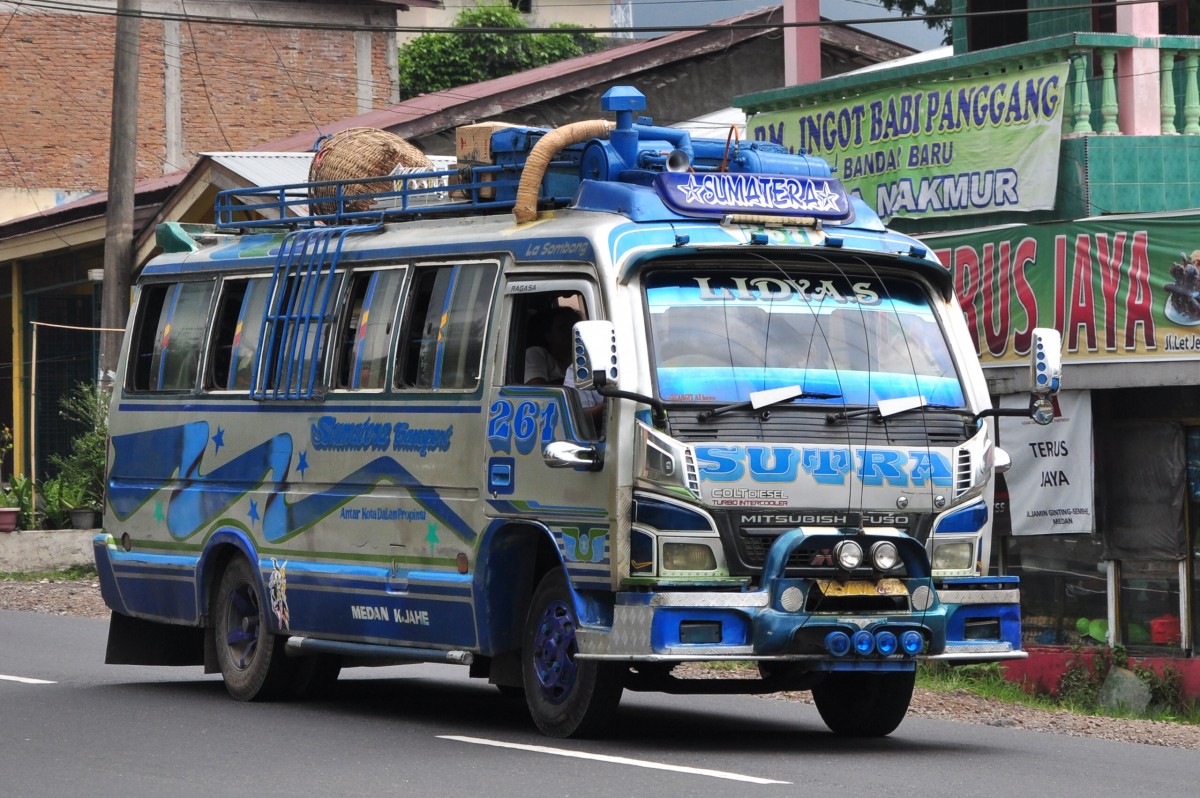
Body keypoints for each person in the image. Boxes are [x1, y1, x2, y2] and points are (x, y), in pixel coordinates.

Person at [524, 306, 580, 385]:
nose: (569, 331)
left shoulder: (583, 357)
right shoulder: (536, 354)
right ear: (548, 335)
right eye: (562, 327)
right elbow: (536, 390)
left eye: (574, 327)